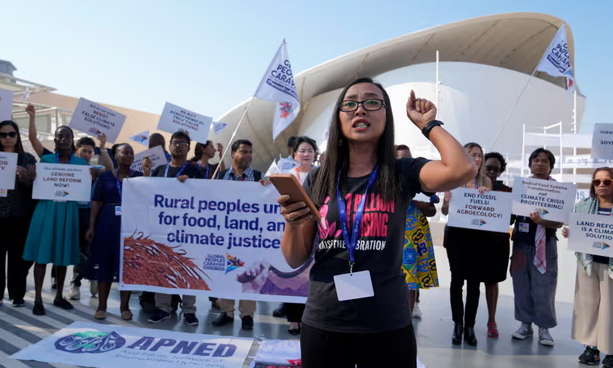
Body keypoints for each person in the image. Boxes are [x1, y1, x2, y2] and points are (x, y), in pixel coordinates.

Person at [278, 77, 476, 367]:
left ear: (386, 115)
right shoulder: (318, 178)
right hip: (325, 318)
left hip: (387, 321)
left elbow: (462, 169)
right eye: (350, 104)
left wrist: (427, 125)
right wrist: (293, 223)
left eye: (372, 102)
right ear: (339, 117)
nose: (360, 110)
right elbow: (294, 258)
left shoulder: (402, 171)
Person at [23, 126, 88, 315]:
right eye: (59, 136)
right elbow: (34, 184)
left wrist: (90, 179)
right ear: (55, 140)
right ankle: (38, 300)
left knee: (62, 255)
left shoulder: (81, 164)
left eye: (66, 136)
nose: (62, 139)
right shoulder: (46, 160)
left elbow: (83, 190)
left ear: (72, 140)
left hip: (68, 211)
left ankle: (59, 296)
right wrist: (32, 177)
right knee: (42, 255)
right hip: (47, 209)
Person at [147, 131, 204, 326]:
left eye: (183, 143)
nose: (178, 146)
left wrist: (191, 185)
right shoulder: (159, 170)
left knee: (187, 267)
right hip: (163, 227)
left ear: (189, 148)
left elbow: (207, 197)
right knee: (162, 267)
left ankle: (189, 310)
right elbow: (148, 194)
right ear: (169, 146)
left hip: (188, 229)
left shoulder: (195, 171)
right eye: (175, 142)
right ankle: (163, 308)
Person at [86, 143, 145, 320]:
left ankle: (124, 307)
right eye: (124, 152)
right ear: (116, 156)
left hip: (130, 227)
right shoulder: (104, 177)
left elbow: (147, 198)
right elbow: (96, 201)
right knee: (105, 264)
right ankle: (102, 306)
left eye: (131, 153)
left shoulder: (140, 177)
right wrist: (91, 226)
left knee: (127, 266)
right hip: (107, 225)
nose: (128, 155)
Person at [510, 148, 562, 346]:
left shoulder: (558, 191)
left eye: (545, 161)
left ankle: (544, 328)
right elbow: (511, 214)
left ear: (551, 167)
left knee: (544, 287)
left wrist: (543, 220)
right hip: (522, 243)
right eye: (536, 160)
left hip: (545, 244)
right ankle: (525, 324)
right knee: (521, 285)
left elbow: (559, 222)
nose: (540, 163)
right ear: (530, 164)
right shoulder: (521, 187)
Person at [562, 167, 613, 367]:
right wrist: (571, 233)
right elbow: (579, 230)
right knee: (588, 307)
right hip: (589, 264)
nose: (601, 185)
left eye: (607, 181)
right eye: (597, 182)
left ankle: (610, 350)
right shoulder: (583, 207)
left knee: (609, 309)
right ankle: (591, 348)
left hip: (610, 265)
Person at [442, 142, 491, 347]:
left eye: (480, 155)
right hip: (456, 237)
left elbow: (491, 212)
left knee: (475, 283)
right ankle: (457, 324)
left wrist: (486, 195)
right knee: (457, 280)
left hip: (478, 239)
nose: (477, 159)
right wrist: (446, 201)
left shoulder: (486, 180)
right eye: (473, 155)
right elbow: (444, 212)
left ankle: (470, 326)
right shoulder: (453, 179)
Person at [213, 139, 262, 331]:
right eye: (243, 152)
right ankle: (227, 311)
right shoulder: (222, 177)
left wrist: (268, 186)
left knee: (249, 275)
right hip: (227, 235)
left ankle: (247, 315)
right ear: (233, 154)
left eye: (250, 152)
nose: (247, 156)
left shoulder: (259, 177)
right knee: (228, 272)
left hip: (249, 237)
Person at [282, 136, 318, 335]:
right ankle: (294, 319)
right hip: (294, 231)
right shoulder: (286, 176)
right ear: (294, 154)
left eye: (310, 150)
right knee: (293, 276)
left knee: (312, 277)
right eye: (302, 150)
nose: (306, 154)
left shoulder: (323, 175)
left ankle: (309, 316)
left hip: (318, 233)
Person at [399, 145, 438, 321]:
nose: (403, 161)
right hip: (390, 235)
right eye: (399, 158)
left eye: (407, 157)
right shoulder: (383, 181)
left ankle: (408, 314)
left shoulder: (420, 182)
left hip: (413, 236)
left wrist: (423, 205)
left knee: (410, 279)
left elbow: (432, 211)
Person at [0, 120, 36, 307]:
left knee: (17, 259)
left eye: (11, 134)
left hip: (19, 216)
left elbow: (36, 187)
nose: (7, 138)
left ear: (17, 136)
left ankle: (17, 294)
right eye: (3, 134)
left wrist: (25, 179)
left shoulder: (27, 159)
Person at [482, 152, 512, 338]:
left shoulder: (507, 191)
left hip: (497, 243)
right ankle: (467, 323)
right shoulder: (471, 187)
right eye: (489, 167)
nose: (492, 172)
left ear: (501, 171)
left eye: (496, 169)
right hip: (474, 242)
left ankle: (491, 320)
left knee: (492, 282)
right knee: (472, 283)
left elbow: (512, 217)